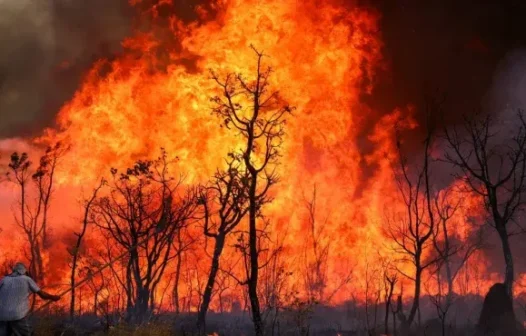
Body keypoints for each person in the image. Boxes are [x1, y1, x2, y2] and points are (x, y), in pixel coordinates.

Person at [0, 262, 61, 336]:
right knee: (28, 334)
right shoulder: (26, 279)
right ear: (24, 271)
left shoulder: (4, 280)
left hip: (2, 315)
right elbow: (42, 295)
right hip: (17, 315)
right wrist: (53, 297)